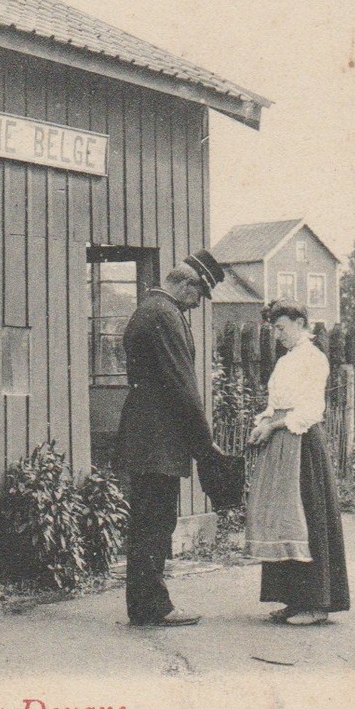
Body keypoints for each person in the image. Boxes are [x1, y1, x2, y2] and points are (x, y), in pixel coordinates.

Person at [116, 249, 225, 627]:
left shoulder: (150, 309)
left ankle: (144, 605)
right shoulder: (165, 315)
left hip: (148, 434)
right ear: (186, 285)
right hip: (158, 437)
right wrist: (205, 444)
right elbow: (183, 384)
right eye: (199, 295)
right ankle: (153, 607)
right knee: (155, 522)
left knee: (149, 520)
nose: (197, 305)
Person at [244, 300, 351, 626]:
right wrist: (263, 421)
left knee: (308, 518)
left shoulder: (314, 359)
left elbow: (310, 410)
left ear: (301, 322)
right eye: (274, 329)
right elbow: (274, 404)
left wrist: (274, 425)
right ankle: (293, 600)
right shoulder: (285, 361)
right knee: (282, 519)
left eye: (282, 328)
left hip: (302, 444)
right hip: (280, 445)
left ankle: (317, 604)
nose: (277, 335)